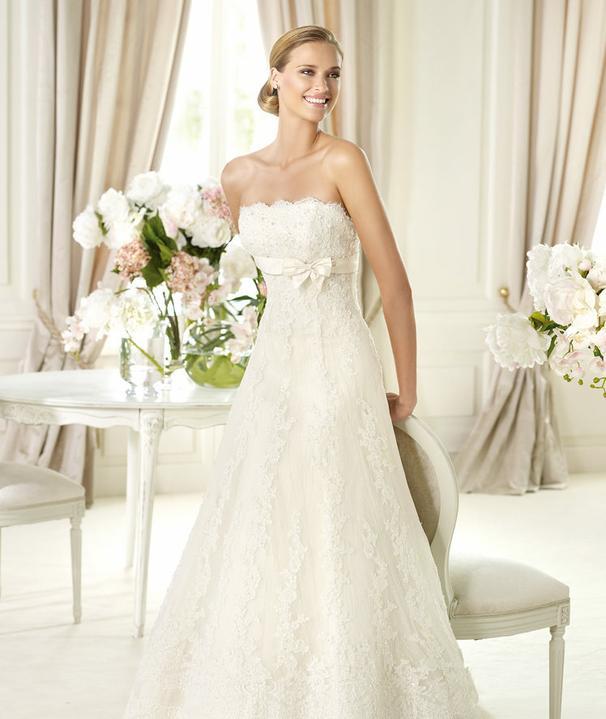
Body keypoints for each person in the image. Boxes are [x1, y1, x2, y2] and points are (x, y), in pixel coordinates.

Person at [123, 24, 486, 718]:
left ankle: (348, 685)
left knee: (337, 518)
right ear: (275, 77)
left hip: (339, 363)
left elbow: (395, 283)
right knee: (262, 518)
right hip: (273, 371)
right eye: (308, 73)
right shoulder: (237, 175)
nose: (323, 87)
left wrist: (409, 388)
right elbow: (265, 285)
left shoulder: (342, 160)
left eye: (333, 75)